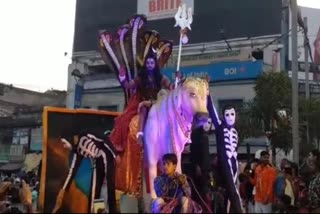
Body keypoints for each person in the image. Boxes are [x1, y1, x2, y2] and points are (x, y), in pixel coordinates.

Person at [109, 52, 175, 152]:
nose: (149, 65)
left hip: (157, 103)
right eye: (148, 63)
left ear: (155, 64)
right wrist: (122, 77)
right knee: (132, 115)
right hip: (143, 104)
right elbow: (128, 85)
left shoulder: (161, 78)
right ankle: (139, 135)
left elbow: (170, 86)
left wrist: (176, 82)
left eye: (152, 63)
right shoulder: (140, 78)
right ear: (145, 64)